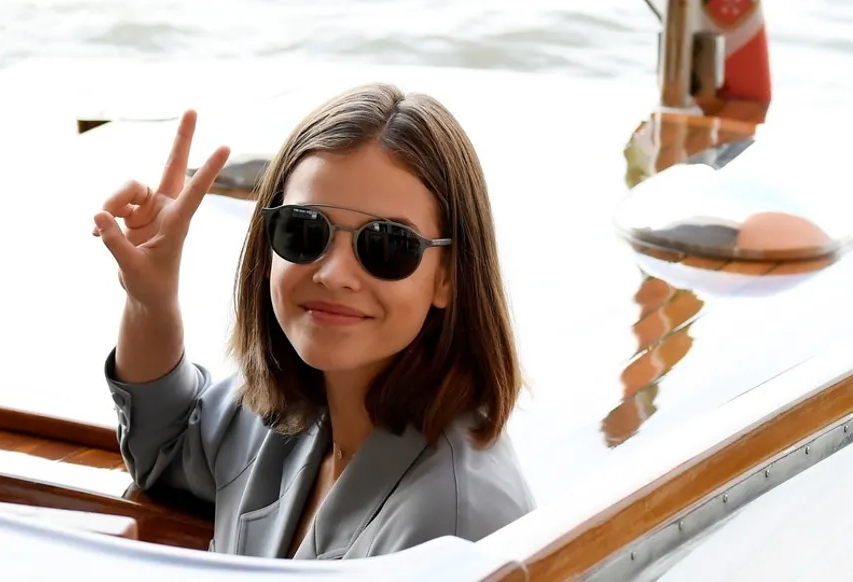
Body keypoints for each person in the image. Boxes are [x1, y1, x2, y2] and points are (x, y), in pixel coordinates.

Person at [94, 84, 535, 560]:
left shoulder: (457, 524)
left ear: (447, 276)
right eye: (305, 230)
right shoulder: (286, 416)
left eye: (386, 245)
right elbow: (165, 445)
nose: (334, 274)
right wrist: (151, 300)